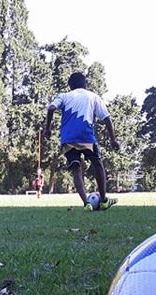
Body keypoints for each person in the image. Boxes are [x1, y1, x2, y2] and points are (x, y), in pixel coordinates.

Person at [43, 72, 119, 211]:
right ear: (85, 84)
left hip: (68, 139)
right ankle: (103, 200)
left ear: (70, 85)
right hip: (87, 137)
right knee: (97, 165)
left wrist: (47, 129)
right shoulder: (93, 97)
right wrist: (113, 139)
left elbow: (51, 108)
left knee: (76, 169)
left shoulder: (64, 96)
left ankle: (86, 203)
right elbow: (107, 118)